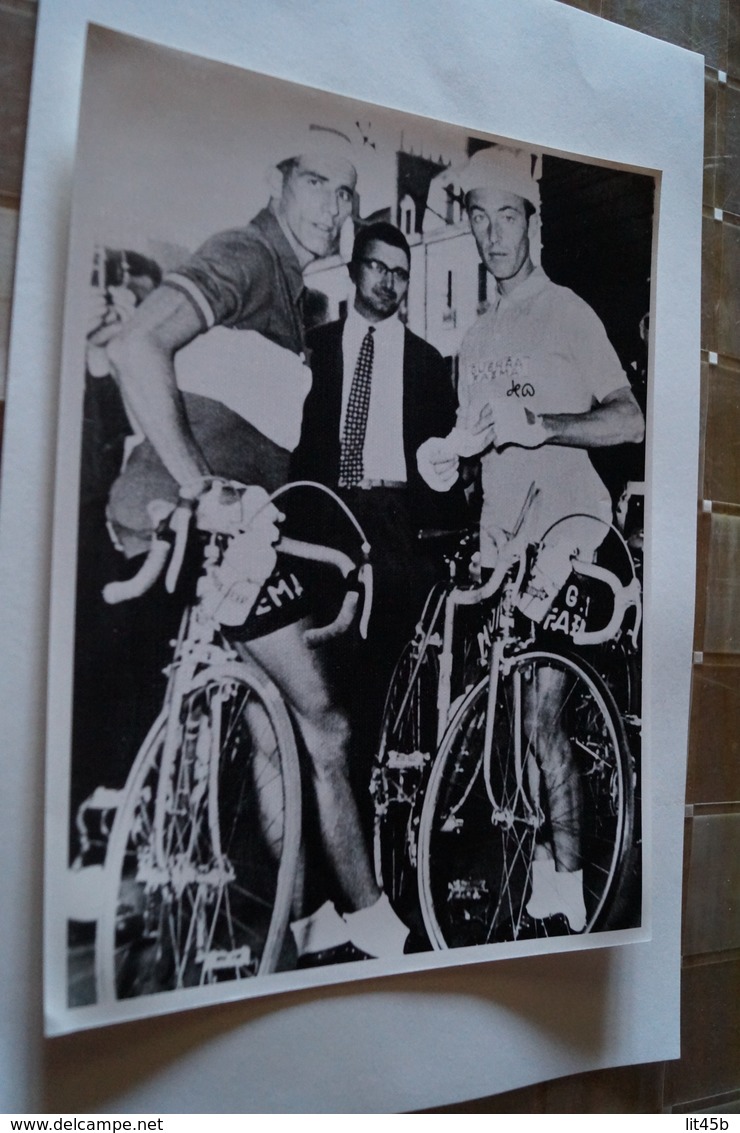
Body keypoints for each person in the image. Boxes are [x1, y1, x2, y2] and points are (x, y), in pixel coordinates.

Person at [104, 127, 409, 966]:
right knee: (324, 721)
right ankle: (368, 916)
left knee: (281, 729)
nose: (334, 208)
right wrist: (202, 487)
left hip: (232, 528)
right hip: (200, 520)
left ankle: (302, 917)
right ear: (278, 182)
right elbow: (135, 347)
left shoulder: (292, 294)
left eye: (347, 194)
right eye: (317, 183)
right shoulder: (244, 253)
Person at [417, 145, 644, 933]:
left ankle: (569, 884)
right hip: (501, 547)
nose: (492, 233)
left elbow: (630, 417)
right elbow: (474, 442)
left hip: (570, 534)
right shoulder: (475, 337)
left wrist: (544, 424)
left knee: (541, 713)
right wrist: (449, 459)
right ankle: (538, 869)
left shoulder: (568, 312)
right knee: (507, 715)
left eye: (506, 216)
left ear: (530, 224)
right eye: (479, 219)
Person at [292, 221, 466, 737]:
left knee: (388, 684)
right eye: (377, 267)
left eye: (400, 273)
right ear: (352, 270)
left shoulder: (428, 363)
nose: (389, 282)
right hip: (323, 519)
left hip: (395, 527)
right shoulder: (313, 350)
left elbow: (445, 466)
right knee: (321, 682)